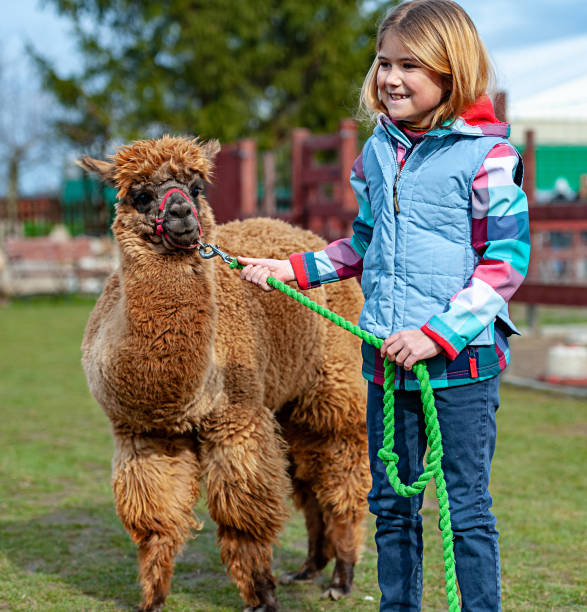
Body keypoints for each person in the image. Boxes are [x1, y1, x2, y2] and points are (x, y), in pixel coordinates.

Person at [237, 1, 530, 610]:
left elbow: (506, 264)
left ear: (451, 73)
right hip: (385, 360)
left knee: (464, 508)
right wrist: (288, 268)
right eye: (384, 62)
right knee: (391, 506)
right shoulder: (377, 152)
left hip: (459, 365)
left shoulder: (488, 157)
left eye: (410, 66)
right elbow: (362, 245)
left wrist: (438, 333)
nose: (390, 78)